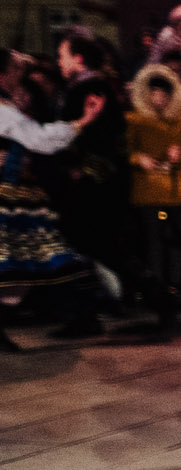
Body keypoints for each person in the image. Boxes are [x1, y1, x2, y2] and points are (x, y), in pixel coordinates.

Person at [0, 52, 103, 346]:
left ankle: (81, 314)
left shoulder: (7, 108)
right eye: (14, 72)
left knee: (28, 261)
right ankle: (82, 314)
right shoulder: (4, 110)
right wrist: (82, 121)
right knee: (40, 257)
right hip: (11, 198)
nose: (19, 79)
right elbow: (40, 139)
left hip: (16, 195)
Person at [48, 30, 124, 335]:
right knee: (96, 247)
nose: (59, 61)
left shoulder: (88, 89)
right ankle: (153, 294)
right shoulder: (90, 87)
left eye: (62, 55)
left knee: (81, 246)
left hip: (87, 183)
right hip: (94, 180)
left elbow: (82, 135)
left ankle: (84, 315)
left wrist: (73, 164)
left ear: (78, 59)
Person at [125, 63, 181, 329]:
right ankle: (157, 289)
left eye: (163, 94)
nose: (158, 98)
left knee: (175, 240)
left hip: (176, 195)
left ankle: (174, 288)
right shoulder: (135, 121)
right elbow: (126, 151)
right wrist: (138, 158)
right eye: (153, 93)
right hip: (150, 195)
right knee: (155, 241)